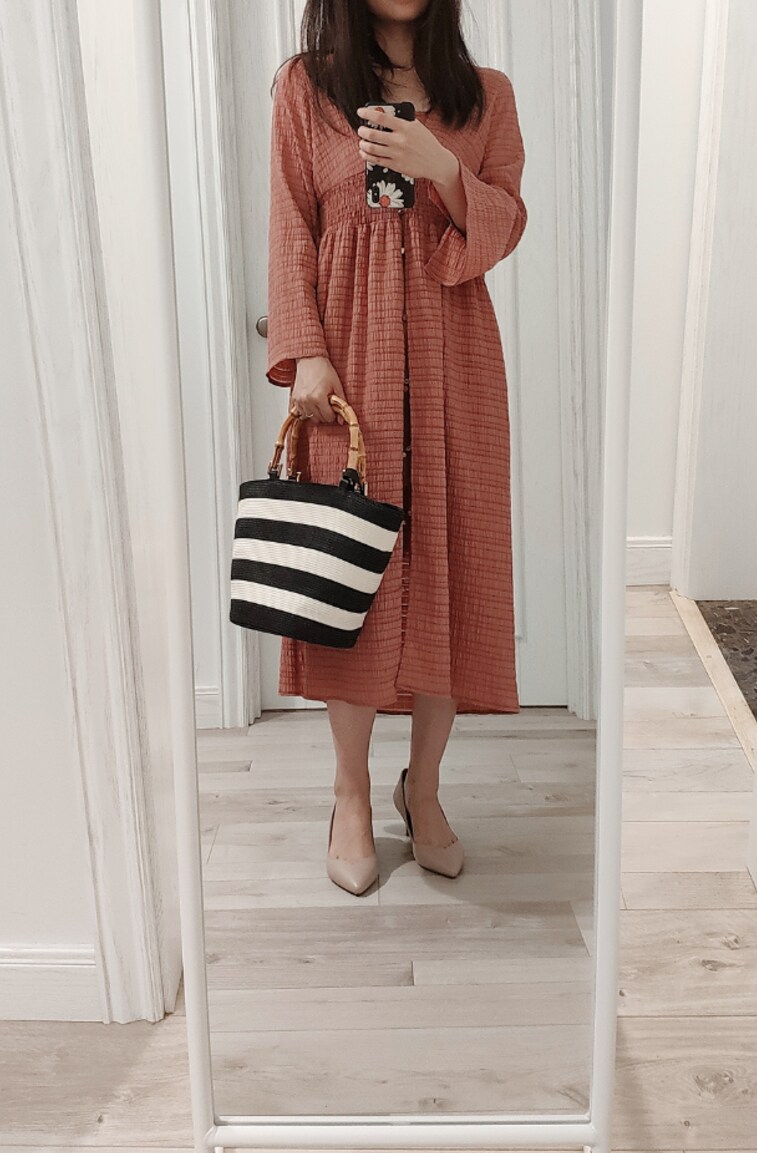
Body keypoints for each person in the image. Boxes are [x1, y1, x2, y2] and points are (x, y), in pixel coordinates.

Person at [266, 0, 527, 894]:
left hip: (457, 360)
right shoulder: (307, 88)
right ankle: (349, 794)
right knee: (355, 579)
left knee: (451, 571)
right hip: (350, 359)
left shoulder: (487, 95)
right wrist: (305, 349)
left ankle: (425, 789)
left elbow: (501, 228)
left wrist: (441, 167)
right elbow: (290, 224)